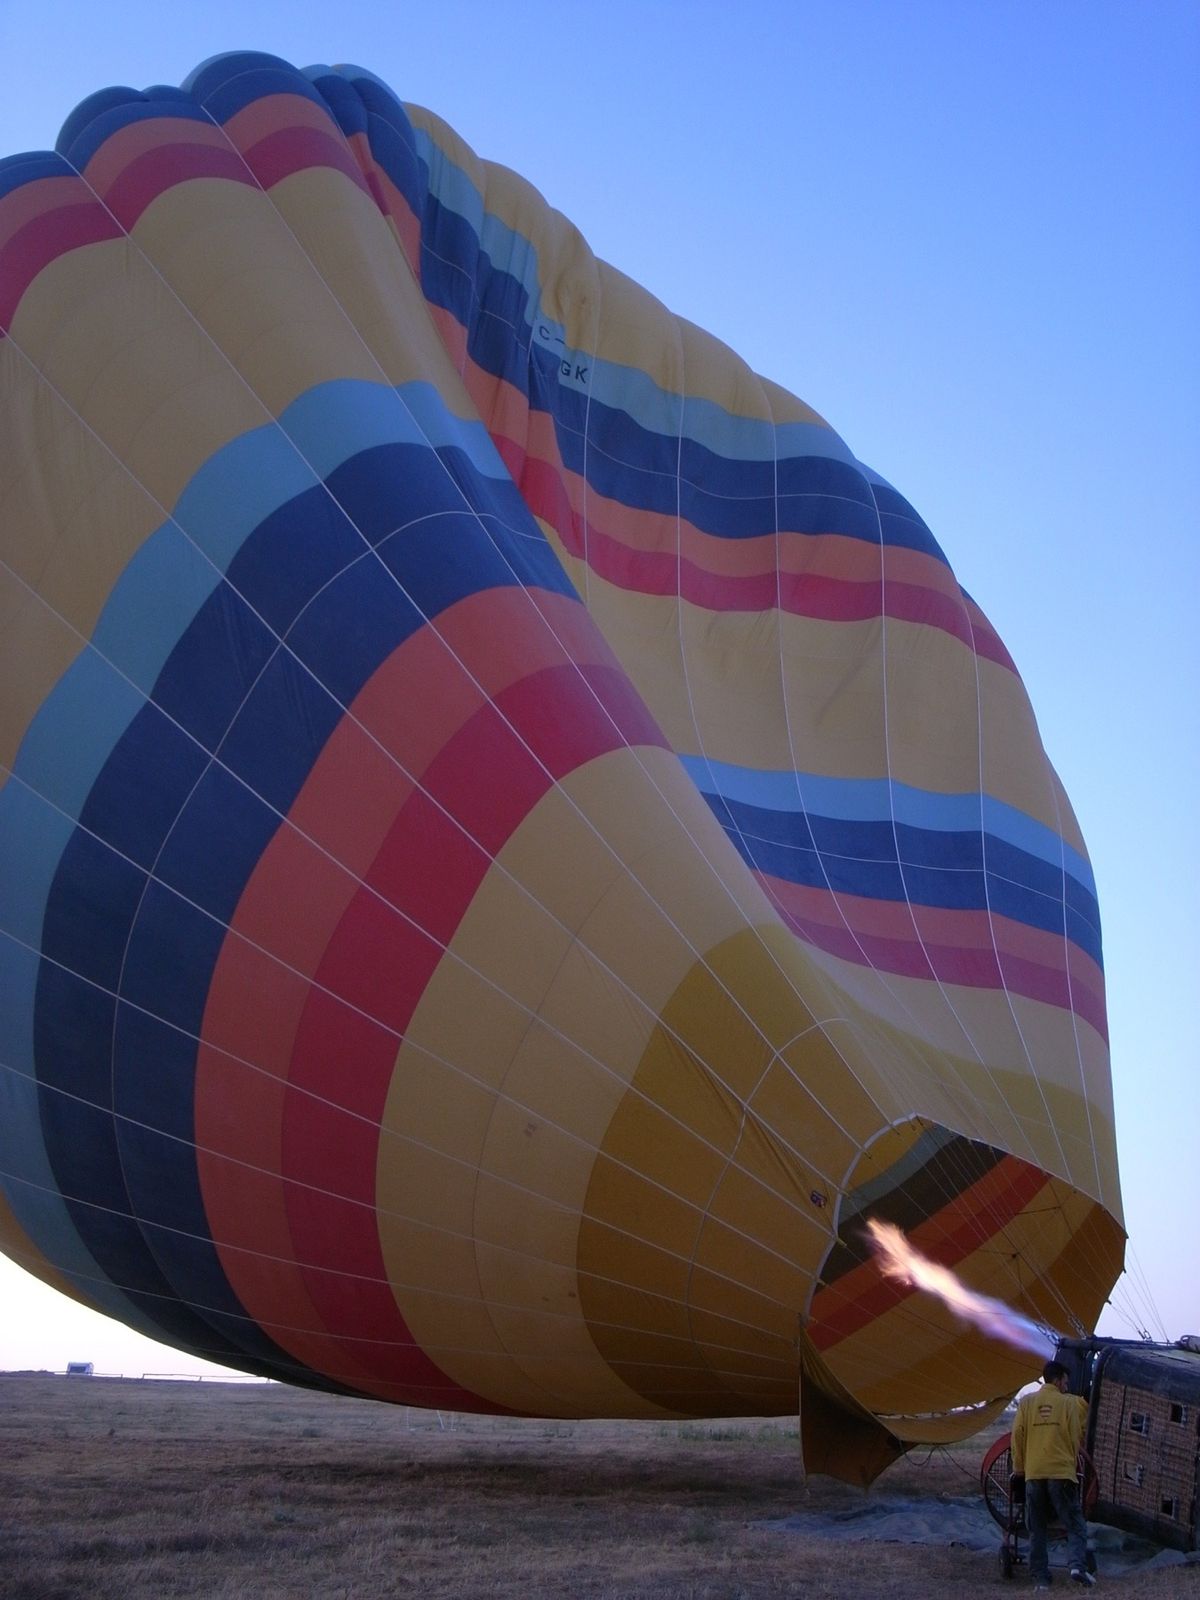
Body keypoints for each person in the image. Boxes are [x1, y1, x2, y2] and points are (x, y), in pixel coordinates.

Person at [1010, 1358, 1095, 1588]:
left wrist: (1019, 1468)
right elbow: (1077, 1437)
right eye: (1066, 1382)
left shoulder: (1026, 1403)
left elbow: (1017, 1435)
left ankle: (1040, 1579)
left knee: (1036, 1527)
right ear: (1057, 1381)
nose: (1067, 1386)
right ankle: (1077, 1566)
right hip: (1061, 1474)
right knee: (1075, 1524)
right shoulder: (1070, 1404)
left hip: (1034, 1474)